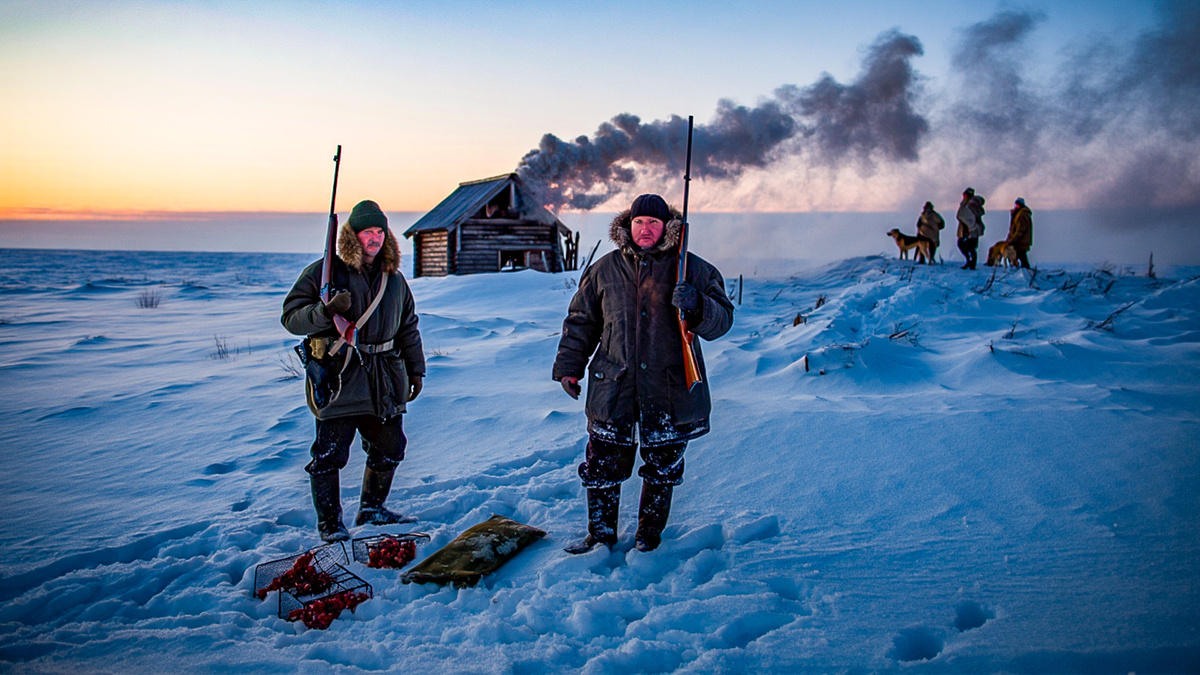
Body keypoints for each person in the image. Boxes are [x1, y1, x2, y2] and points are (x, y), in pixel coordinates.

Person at [553, 194, 734, 554]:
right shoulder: (604, 269)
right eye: (639, 222)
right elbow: (581, 323)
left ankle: (648, 538)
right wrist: (569, 368)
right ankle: (600, 537)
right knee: (602, 465)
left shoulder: (693, 270)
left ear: (668, 226)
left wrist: (698, 304)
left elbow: (722, 321)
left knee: (662, 468)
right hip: (613, 388)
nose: (645, 229)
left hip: (670, 390)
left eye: (654, 223)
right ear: (627, 225)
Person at [281, 200, 426, 542]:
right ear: (352, 236)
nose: (374, 238)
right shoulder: (324, 272)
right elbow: (290, 317)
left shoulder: (396, 281)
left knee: (391, 448)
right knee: (329, 455)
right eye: (367, 232)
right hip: (340, 377)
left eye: (379, 231)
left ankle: (372, 509)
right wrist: (323, 311)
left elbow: (409, 327)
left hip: (384, 379)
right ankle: (330, 525)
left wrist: (416, 370)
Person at [955, 188, 983, 270]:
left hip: (971, 229)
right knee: (963, 245)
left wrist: (970, 227)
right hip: (966, 229)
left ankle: (972, 264)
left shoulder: (971, 204)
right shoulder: (967, 204)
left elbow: (969, 217)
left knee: (970, 247)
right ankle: (969, 261)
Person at [1007, 197, 1033, 268]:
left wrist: (1012, 239)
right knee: (1021, 257)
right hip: (1020, 241)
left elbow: (1020, 230)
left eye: (1018, 205)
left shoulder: (1022, 215)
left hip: (1021, 242)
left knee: (1021, 257)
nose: (1016, 206)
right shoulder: (1019, 214)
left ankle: (1025, 272)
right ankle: (1024, 270)